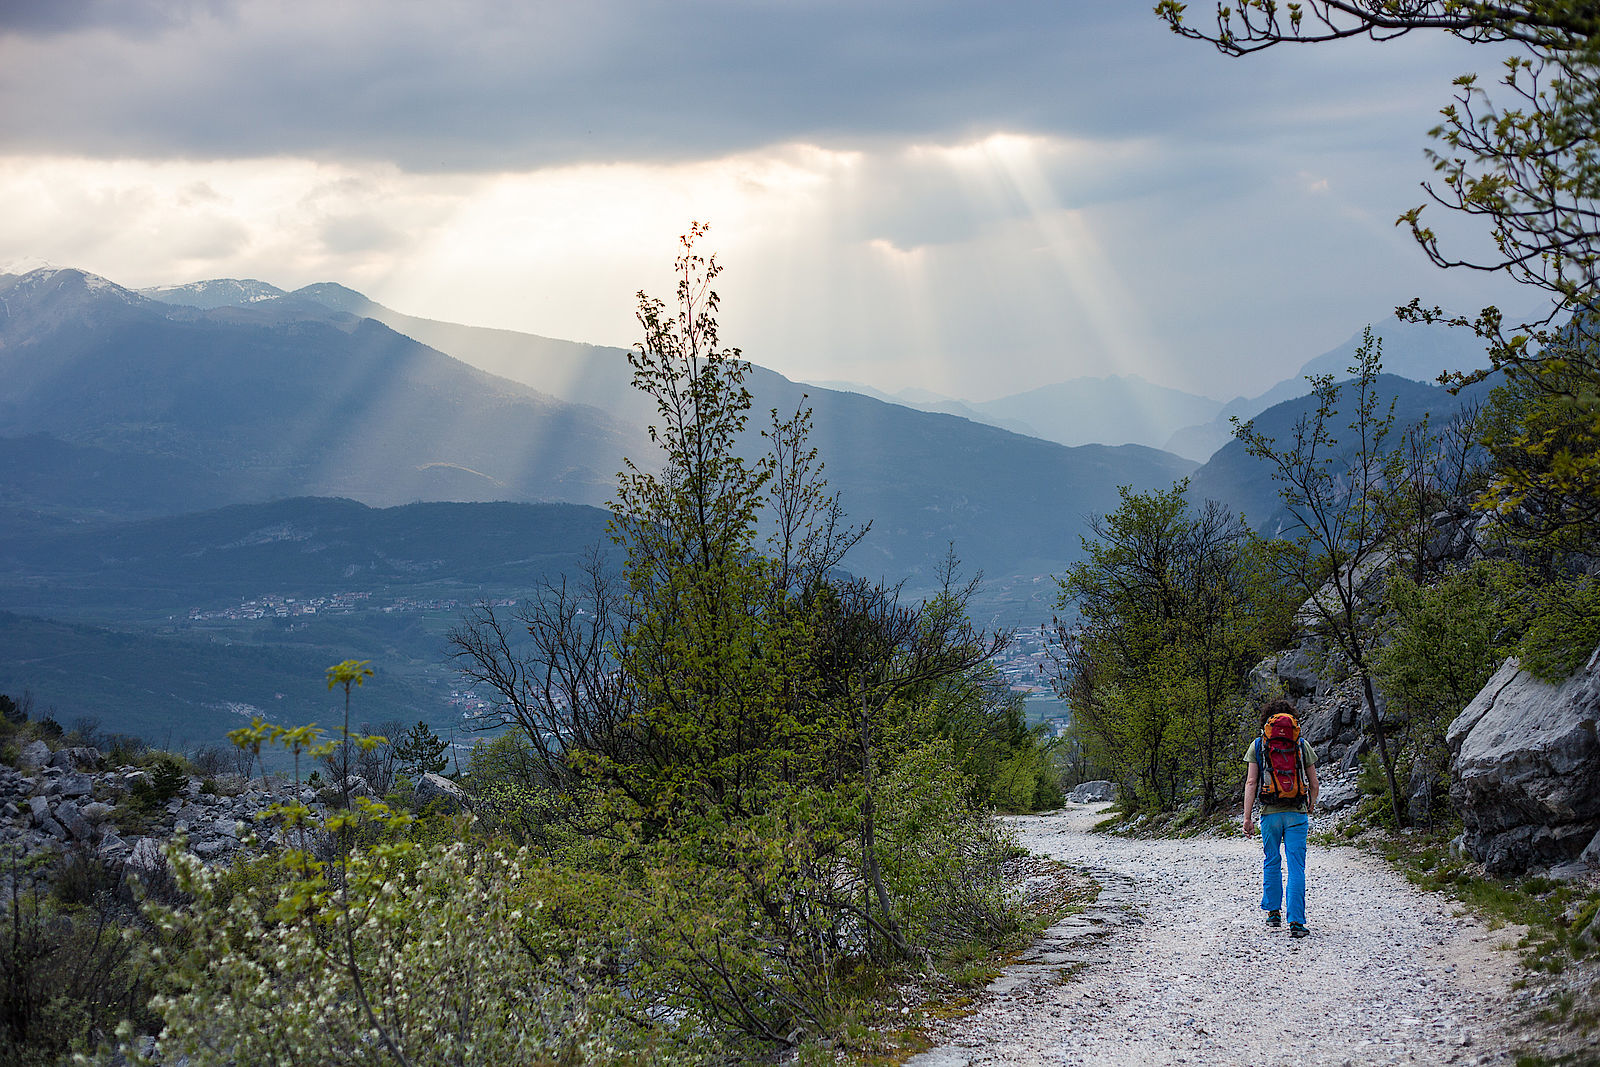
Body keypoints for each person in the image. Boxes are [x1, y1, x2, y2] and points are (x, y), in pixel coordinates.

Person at [1242, 698, 1319, 938]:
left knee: (1272, 860)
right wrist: (1310, 805)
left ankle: (1273, 913)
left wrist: (1247, 817)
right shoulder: (1300, 744)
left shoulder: (1258, 745)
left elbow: (1252, 782)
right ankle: (1296, 922)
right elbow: (1314, 784)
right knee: (1296, 866)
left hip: (1269, 814)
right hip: (1296, 812)